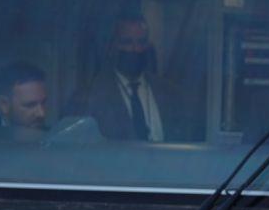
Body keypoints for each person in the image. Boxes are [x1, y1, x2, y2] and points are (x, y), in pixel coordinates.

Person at [79, 13, 197, 142]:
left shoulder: (170, 93)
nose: (135, 49)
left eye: (141, 42)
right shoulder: (92, 96)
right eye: (127, 42)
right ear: (113, 45)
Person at [0, 61, 49, 142]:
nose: (41, 113)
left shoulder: (53, 138)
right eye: (30, 105)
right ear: (4, 105)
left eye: (43, 103)